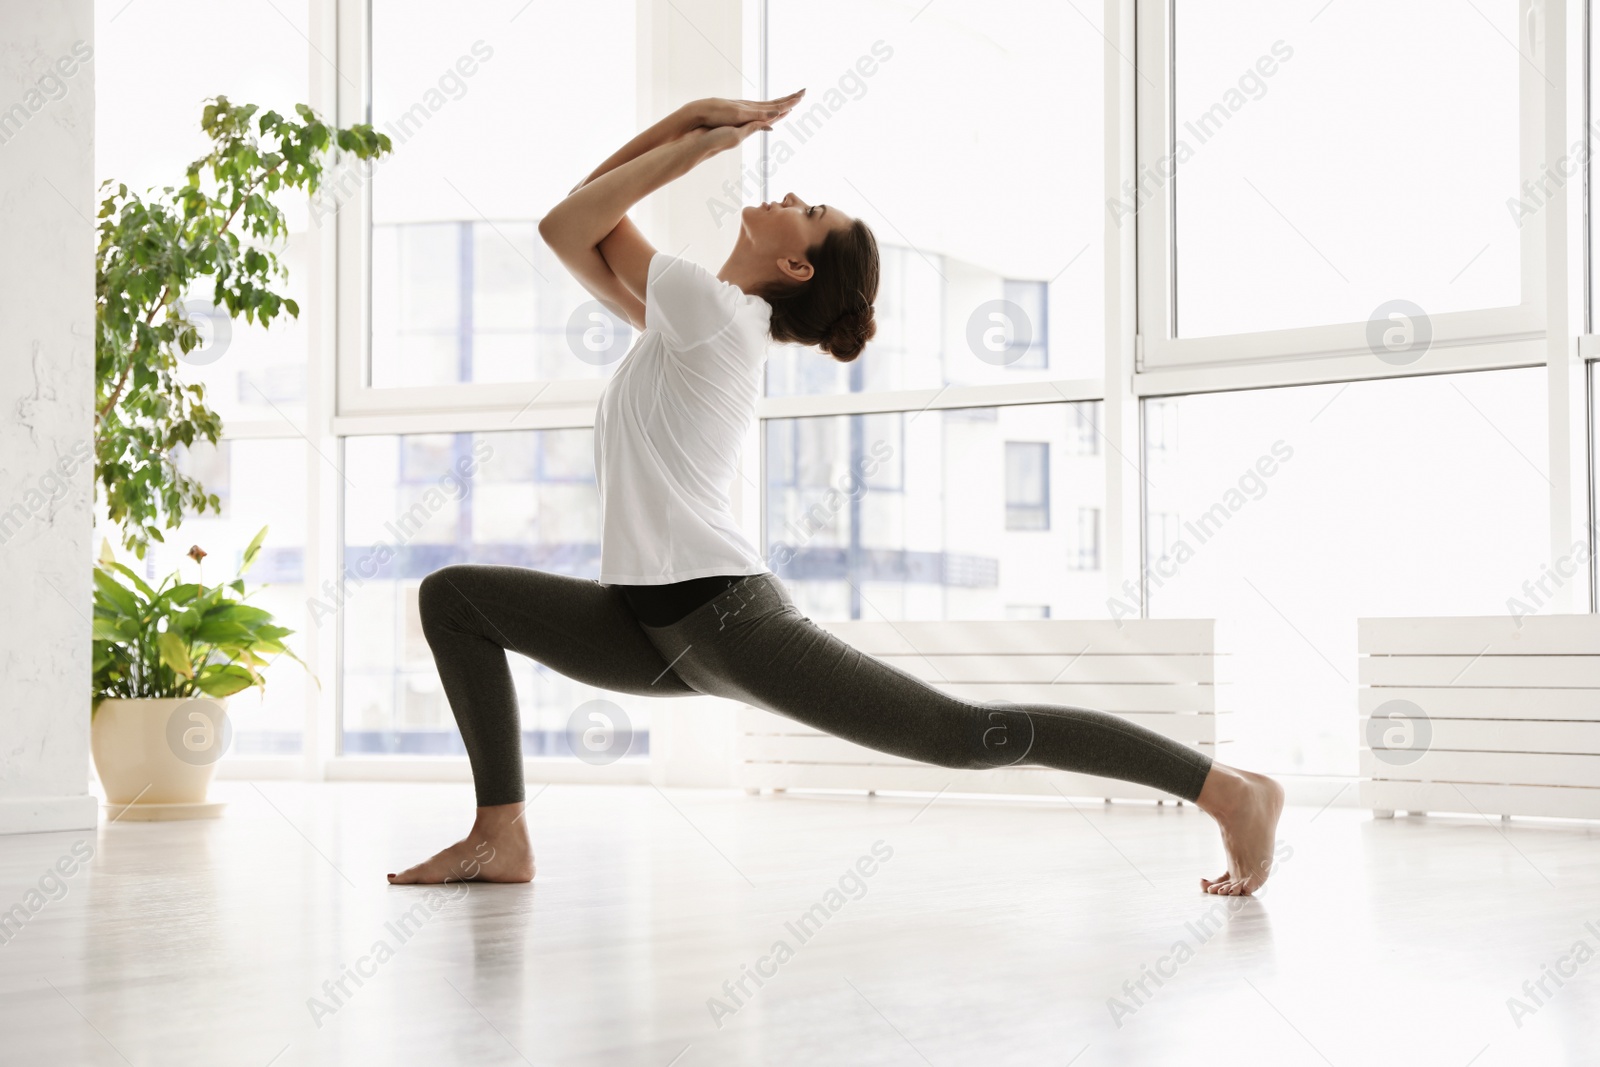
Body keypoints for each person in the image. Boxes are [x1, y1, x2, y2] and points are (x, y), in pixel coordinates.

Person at [388, 91, 1285, 896]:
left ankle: (1227, 790)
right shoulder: (695, 320)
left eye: (809, 213)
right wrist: (690, 119)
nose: (790, 197)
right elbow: (579, 219)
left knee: (962, 733)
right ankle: (500, 832)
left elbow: (574, 216)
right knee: (456, 600)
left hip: (722, 618)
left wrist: (702, 145)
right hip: (651, 624)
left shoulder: (711, 315)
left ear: (798, 269)